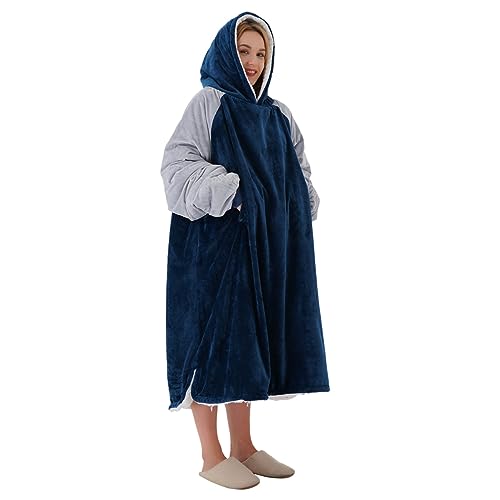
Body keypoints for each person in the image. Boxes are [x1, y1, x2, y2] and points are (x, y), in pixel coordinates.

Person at [160, 11, 330, 489]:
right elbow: (177, 165)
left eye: (261, 53)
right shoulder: (209, 103)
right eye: (244, 51)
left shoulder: (278, 115)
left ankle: (244, 447)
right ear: (226, 54)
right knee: (212, 343)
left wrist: (296, 201)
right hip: (214, 250)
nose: (252, 61)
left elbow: (298, 168)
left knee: (250, 345)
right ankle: (211, 455)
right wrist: (231, 189)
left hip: (265, 248)